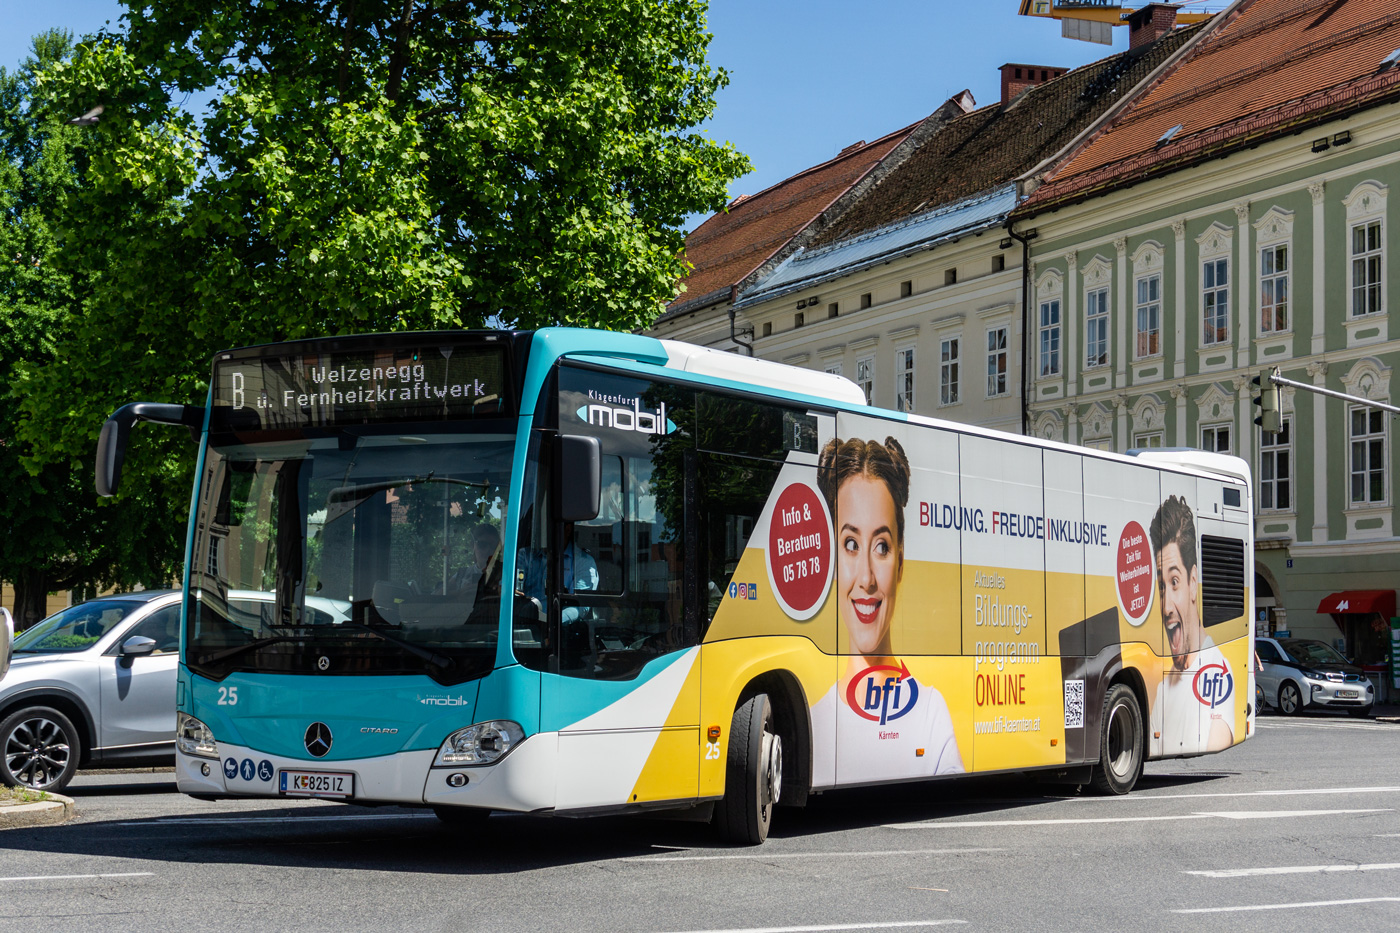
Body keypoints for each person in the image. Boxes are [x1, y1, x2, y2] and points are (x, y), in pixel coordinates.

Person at [810, 435, 963, 782]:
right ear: (831, 558)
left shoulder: (931, 717)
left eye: (882, 547)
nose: (866, 578)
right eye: (850, 544)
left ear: (901, 561)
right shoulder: (812, 722)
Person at [1149, 494, 1235, 754]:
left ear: (1193, 582)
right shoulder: (1164, 685)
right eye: (1162, 586)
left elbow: (1218, 734)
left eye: (1174, 582)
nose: (1165, 607)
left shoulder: (1217, 673)